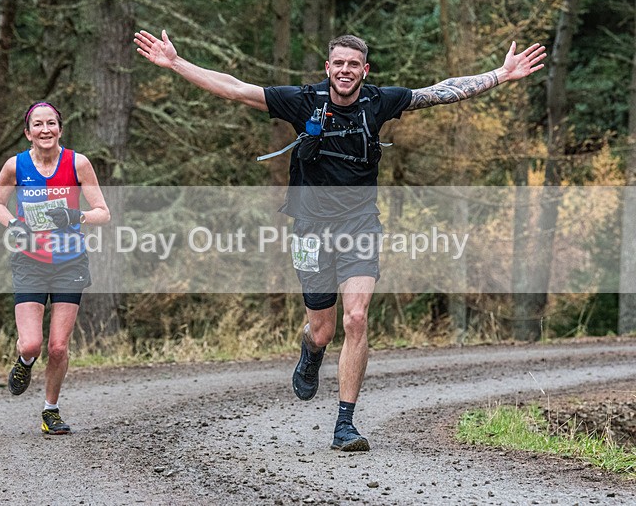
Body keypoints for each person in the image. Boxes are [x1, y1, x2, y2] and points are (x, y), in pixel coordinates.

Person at [134, 29, 546, 451]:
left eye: (355, 65)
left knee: (357, 318)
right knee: (323, 329)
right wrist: (176, 63)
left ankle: (345, 424)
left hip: (360, 227)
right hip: (311, 229)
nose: (346, 71)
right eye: (340, 64)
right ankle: (311, 353)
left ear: (364, 71)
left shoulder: (379, 102)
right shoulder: (303, 100)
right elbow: (237, 90)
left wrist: (500, 73)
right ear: (328, 68)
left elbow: (440, 92)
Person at [0, 101, 111, 435]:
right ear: (28, 132)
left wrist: (78, 216)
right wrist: (15, 224)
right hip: (30, 260)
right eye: (38, 125)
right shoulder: (16, 166)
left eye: (52, 123)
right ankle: (25, 362)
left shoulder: (77, 163)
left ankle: (50, 411)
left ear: (60, 128)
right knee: (31, 344)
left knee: (58, 346)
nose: (46, 130)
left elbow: (103, 211)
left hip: (70, 261)